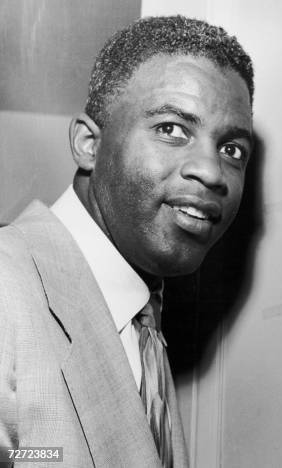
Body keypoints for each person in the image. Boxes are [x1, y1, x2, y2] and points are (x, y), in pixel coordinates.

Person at [0, 15, 254, 468]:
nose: (213, 172)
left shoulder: (143, 328)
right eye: (172, 129)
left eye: (232, 149)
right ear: (88, 144)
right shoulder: (7, 287)